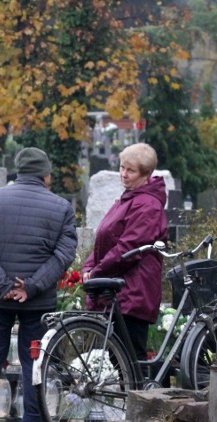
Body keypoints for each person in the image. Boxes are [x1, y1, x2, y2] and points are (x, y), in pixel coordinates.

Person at [0, 147, 78, 422]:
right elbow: (64, 253)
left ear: (17, 171)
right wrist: (31, 286)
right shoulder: (61, 207)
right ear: (46, 175)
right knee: (35, 362)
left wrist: (2, 284)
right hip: (38, 302)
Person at [81, 142, 168, 362]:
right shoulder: (128, 198)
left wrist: (97, 271)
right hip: (119, 287)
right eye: (122, 168)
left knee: (130, 359)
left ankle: (134, 397)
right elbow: (105, 239)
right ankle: (125, 396)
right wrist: (90, 267)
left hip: (133, 291)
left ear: (146, 174)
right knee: (118, 358)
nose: (124, 174)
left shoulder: (147, 205)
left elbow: (129, 248)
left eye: (131, 170)